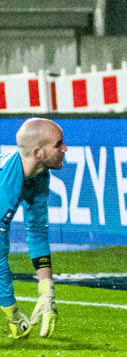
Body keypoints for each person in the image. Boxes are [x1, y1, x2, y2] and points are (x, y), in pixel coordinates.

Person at [0, 118, 67, 339]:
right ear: (38, 152)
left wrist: (47, 293)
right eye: (58, 144)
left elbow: (37, 231)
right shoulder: (6, 184)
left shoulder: (39, 176)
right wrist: (13, 313)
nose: (65, 149)